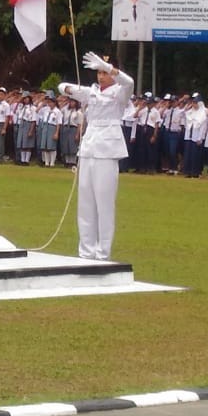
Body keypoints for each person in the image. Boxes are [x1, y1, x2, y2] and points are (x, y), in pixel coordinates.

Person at [57, 52, 134, 261]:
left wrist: (110, 68)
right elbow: (61, 87)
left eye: (104, 72)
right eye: (99, 72)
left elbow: (129, 82)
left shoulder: (120, 93)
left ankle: (102, 252)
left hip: (107, 149)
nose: (101, 76)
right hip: (89, 147)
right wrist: (74, 91)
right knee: (86, 203)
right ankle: (86, 250)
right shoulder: (92, 92)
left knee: (104, 203)